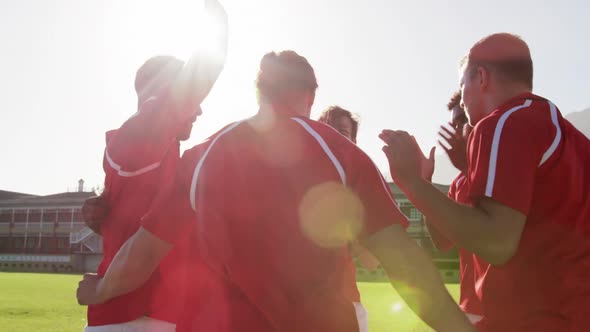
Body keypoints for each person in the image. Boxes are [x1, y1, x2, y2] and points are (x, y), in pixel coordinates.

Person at [77, 50, 474, 332]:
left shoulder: (201, 157)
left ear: (258, 92)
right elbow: (402, 263)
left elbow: (142, 253)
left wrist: (101, 288)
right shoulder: (342, 155)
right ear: (311, 95)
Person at [380, 33, 590, 331]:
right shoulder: (573, 139)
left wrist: (414, 183)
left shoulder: (504, 122)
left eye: (462, 85)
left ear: (481, 77)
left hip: (528, 320)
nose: (463, 100)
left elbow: (497, 242)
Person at [80, 1, 229, 330]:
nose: (199, 111)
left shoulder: (153, 150)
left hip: (151, 314)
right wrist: (216, 16)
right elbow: (206, 68)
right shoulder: (142, 137)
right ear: (163, 93)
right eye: (192, 100)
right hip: (135, 317)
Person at [317, 106, 379, 331]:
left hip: (346, 303)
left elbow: (371, 261)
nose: (333, 138)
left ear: (353, 142)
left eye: (342, 133)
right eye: (325, 130)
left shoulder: (360, 189)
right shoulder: (291, 180)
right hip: (297, 306)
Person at [423, 91, 483, 324]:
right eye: (453, 124)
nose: (456, 131)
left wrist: (471, 169)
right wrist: (425, 186)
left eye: (461, 122)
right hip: (470, 307)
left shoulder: (509, 169)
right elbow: (443, 242)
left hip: (511, 308)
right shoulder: (458, 183)